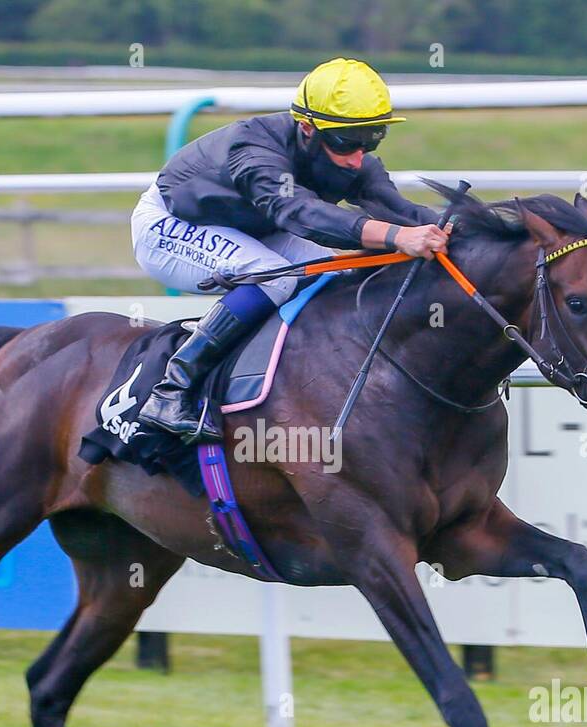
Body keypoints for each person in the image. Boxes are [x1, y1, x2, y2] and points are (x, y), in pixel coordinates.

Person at [129, 56, 451, 443]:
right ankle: (172, 389)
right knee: (275, 278)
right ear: (306, 129)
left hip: (249, 226)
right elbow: (296, 212)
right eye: (347, 142)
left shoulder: (353, 157)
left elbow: (398, 209)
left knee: (332, 272)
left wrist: (461, 227)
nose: (357, 158)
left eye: (372, 138)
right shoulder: (255, 148)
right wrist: (396, 236)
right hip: (171, 224)